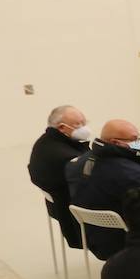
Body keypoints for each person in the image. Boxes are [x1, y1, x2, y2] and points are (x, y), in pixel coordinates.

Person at [66, 119, 140, 260]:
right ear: (115, 142)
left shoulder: (75, 164)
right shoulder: (132, 174)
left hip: (93, 235)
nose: (138, 141)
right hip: (125, 241)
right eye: (134, 139)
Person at [28, 104, 91, 248]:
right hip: (78, 216)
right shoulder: (65, 157)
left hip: (58, 205)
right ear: (62, 128)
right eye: (77, 124)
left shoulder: (45, 142)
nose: (83, 127)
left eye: (84, 123)